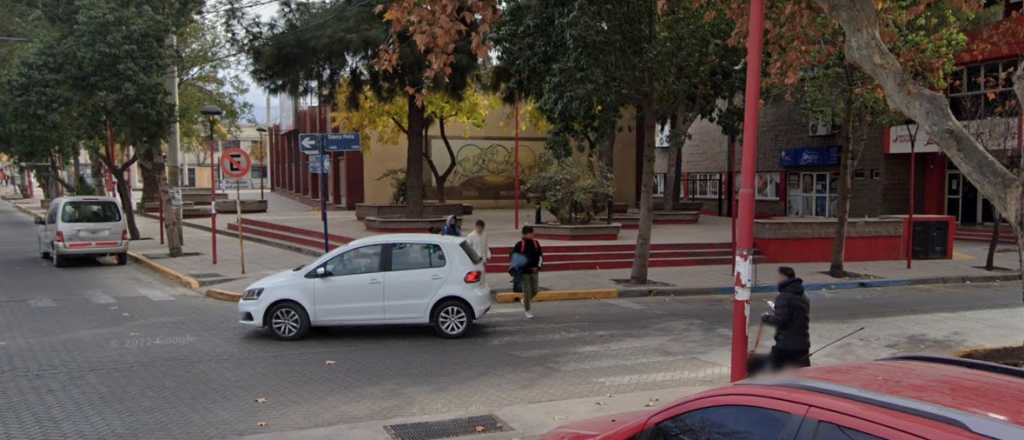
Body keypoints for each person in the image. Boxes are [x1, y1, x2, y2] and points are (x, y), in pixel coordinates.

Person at [761, 266, 811, 371]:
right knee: (803, 375)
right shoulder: (804, 296)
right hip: (803, 344)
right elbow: (795, 314)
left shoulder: (783, 297)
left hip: (786, 345)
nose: (776, 280)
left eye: (778, 277)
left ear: (783, 277)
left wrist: (766, 318)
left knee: (772, 374)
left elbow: (780, 320)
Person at [510, 226, 543, 319]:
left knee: (535, 290)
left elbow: (540, 256)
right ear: (526, 234)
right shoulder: (519, 245)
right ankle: (527, 310)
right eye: (531, 233)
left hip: (534, 271)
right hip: (524, 273)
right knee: (527, 292)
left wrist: (538, 267)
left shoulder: (536, 243)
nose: (533, 234)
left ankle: (524, 300)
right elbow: (515, 258)